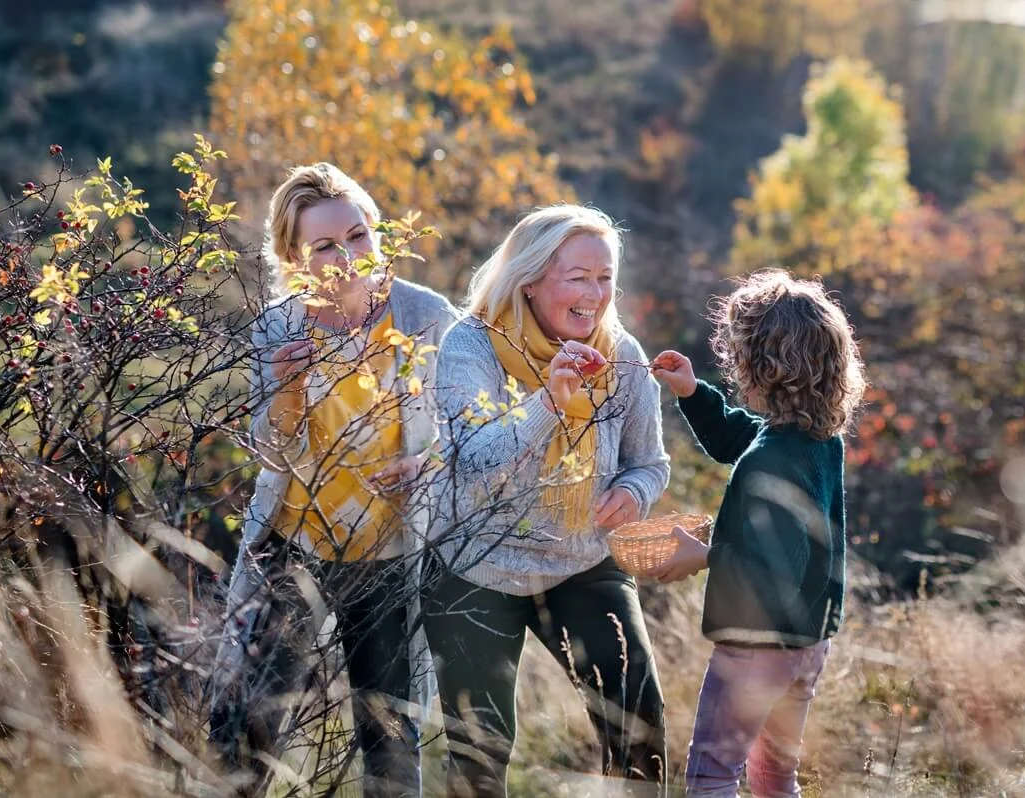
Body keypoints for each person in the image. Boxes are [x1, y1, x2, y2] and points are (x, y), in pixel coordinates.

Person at [208, 163, 458, 798]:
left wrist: (425, 464)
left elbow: (467, 432)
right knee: (247, 732)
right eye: (324, 246)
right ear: (296, 258)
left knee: (392, 747)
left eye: (357, 236)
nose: (346, 255)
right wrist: (289, 387)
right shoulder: (277, 327)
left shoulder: (426, 316)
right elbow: (270, 452)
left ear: (377, 234)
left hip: (388, 552)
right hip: (293, 550)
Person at [423, 204, 671, 797]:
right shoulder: (471, 346)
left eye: (606, 277)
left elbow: (651, 463)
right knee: (479, 754)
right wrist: (549, 403)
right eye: (579, 277)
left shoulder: (621, 353)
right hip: (473, 569)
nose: (596, 293)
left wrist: (634, 492)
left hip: (582, 564)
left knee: (639, 724)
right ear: (530, 280)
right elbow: (469, 459)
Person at [648, 269, 867, 798]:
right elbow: (736, 440)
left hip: (755, 647)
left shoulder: (773, 457)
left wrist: (702, 556)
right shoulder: (812, 438)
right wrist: (692, 392)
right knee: (774, 777)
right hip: (807, 644)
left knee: (712, 776)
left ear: (760, 366)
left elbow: (773, 567)